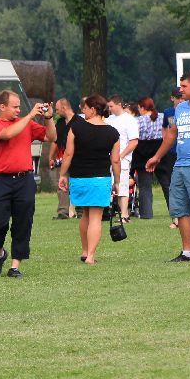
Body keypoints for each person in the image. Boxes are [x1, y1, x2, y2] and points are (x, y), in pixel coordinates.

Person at [0, 90, 56, 278]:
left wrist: (48, 118)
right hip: (1, 180)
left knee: (23, 222)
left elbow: (51, 137)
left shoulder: (27, 124)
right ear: (2, 107)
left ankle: (15, 266)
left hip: (24, 179)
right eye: (15, 107)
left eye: (19, 107)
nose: (18, 110)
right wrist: (30, 115)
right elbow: (7, 134)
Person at [145, 72, 190, 262]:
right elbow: (172, 134)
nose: (180, 90)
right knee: (180, 209)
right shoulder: (180, 109)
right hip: (180, 165)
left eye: (183, 86)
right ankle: (187, 252)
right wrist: (157, 156)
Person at [58, 96, 120, 264]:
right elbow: (115, 160)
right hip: (100, 179)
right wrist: (117, 181)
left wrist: (63, 175)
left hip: (79, 178)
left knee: (85, 213)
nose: (83, 111)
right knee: (95, 217)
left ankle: (85, 251)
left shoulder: (76, 128)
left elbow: (68, 154)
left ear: (93, 109)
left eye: (85, 108)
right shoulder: (112, 132)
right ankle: (91, 256)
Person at [106, 95, 139, 222]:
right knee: (111, 185)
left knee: (122, 186)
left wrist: (121, 155)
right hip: (109, 158)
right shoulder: (109, 120)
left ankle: (124, 214)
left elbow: (134, 141)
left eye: (111, 106)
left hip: (122, 159)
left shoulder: (129, 120)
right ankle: (110, 212)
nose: (109, 109)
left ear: (119, 104)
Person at [132, 97, 163, 220]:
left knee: (145, 186)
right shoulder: (163, 117)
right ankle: (176, 213)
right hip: (160, 151)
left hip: (142, 153)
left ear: (142, 107)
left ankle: (146, 213)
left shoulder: (138, 121)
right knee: (167, 184)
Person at [160, 88, 184, 226]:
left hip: (184, 151)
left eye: (182, 97)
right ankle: (175, 217)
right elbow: (165, 127)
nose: (181, 100)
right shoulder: (168, 112)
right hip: (171, 152)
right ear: (172, 98)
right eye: (178, 97)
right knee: (172, 184)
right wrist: (165, 139)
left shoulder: (188, 110)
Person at [49, 99, 74, 220]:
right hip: (62, 157)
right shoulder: (59, 123)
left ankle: (80, 211)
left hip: (77, 158)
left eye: (57, 109)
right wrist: (51, 157)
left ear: (64, 107)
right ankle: (63, 211)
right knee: (62, 183)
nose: (56, 112)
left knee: (77, 183)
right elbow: (55, 140)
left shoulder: (78, 121)